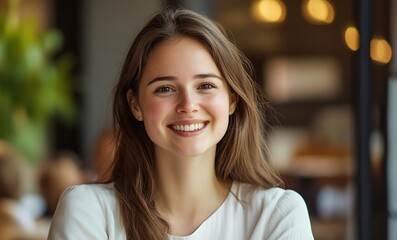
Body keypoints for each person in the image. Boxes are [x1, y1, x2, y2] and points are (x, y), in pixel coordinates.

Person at [48, 8, 314, 240]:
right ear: (135, 105)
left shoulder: (277, 213)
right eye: (165, 89)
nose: (188, 105)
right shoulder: (89, 211)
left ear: (232, 100)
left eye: (206, 85)